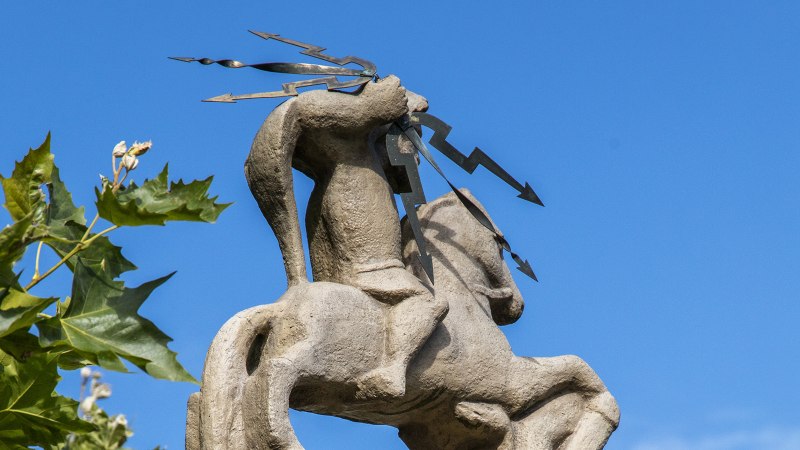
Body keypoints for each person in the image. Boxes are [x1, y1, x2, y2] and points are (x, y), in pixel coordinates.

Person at [245, 75, 448, 399]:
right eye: (414, 140)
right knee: (430, 299)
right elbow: (303, 109)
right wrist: (372, 106)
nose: (416, 157)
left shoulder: (336, 170)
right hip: (362, 246)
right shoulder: (357, 156)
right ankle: (393, 369)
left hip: (340, 264)